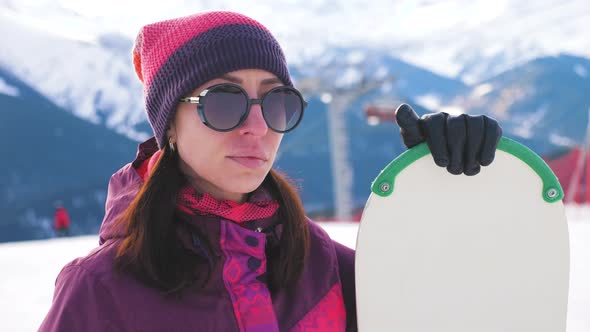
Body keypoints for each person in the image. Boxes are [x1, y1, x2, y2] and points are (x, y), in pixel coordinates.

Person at [39, 11, 502, 332]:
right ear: (170, 127)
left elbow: (448, 306)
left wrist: (447, 192)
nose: (257, 127)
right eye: (224, 101)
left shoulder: (322, 265)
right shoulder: (101, 292)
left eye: (277, 101)